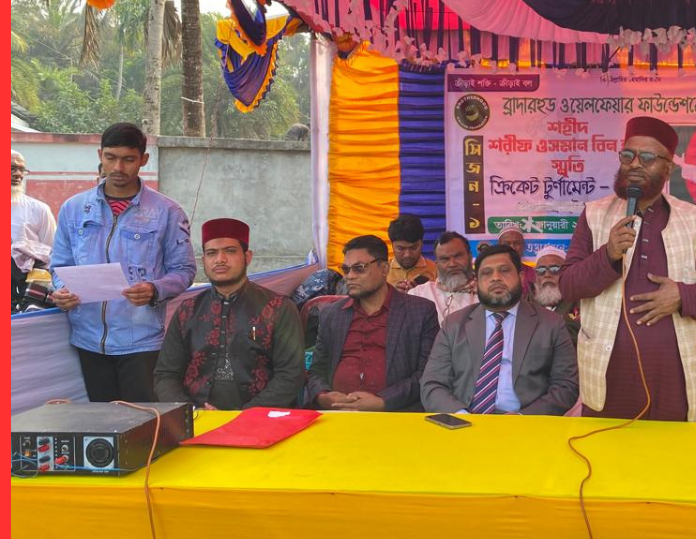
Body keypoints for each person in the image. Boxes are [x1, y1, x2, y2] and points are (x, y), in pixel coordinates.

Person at [559, 116, 696, 422]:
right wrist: (608, 255)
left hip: (675, 381)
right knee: (605, 450)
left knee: (671, 450)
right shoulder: (595, 215)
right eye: (628, 155)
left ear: (668, 168)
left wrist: (681, 296)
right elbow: (568, 284)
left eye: (648, 158)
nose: (635, 164)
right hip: (608, 378)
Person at [50, 123, 196, 402]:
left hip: (141, 340)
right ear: (100, 156)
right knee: (102, 422)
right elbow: (59, 264)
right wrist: (61, 290)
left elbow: (184, 269)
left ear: (143, 159)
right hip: (87, 338)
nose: (118, 167)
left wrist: (155, 289)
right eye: (111, 157)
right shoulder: (74, 208)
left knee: (142, 421)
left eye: (128, 159)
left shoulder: (167, 211)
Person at [154, 218, 304, 409]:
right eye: (211, 253)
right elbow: (166, 374)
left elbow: (291, 374)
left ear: (247, 257)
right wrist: (190, 412)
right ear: (204, 260)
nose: (220, 259)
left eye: (230, 251)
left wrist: (243, 416)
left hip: (260, 419)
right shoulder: (188, 310)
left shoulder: (278, 308)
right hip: (197, 418)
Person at [421, 245, 578, 415]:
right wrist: (461, 416)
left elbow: (566, 386)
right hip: (464, 422)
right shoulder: (454, 325)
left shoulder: (552, 324)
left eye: (504, 270)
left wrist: (523, 419)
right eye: (486, 273)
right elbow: (433, 384)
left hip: (526, 423)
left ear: (521, 277)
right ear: (476, 282)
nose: (496, 278)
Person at [306, 235, 440, 411]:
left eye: (359, 268)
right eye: (346, 269)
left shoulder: (420, 311)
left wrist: (382, 401)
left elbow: (427, 373)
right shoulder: (331, 314)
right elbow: (316, 370)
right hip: (336, 413)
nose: (349, 277)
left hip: (395, 413)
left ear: (384, 269)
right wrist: (323, 396)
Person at [409, 232, 478, 323]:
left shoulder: (485, 293)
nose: (452, 264)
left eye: (458, 256)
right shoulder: (419, 294)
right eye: (445, 259)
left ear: (470, 257)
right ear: (437, 264)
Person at [527, 246, 580, 344]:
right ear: (535, 275)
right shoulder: (525, 303)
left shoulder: (579, 302)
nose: (547, 275)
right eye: (541, 270)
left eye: (555, 269)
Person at [10, 150, 56, 249]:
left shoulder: (39, 209)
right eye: (12, 168)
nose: (18, 174)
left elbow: (52, 252)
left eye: (22, 170)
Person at [386, 214, 437, 292]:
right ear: (392, 245)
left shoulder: (436, 271)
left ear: (422, 243)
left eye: (413, 248)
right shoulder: (381, 271)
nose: (407, 255)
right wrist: (390, 293)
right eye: (401, 249)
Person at [497, 226, 537, 293]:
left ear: (523, 246)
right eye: (507, 243)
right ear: (499, 246)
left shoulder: (532, 273)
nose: (512, 247)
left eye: (517, 243)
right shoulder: (493, 272)